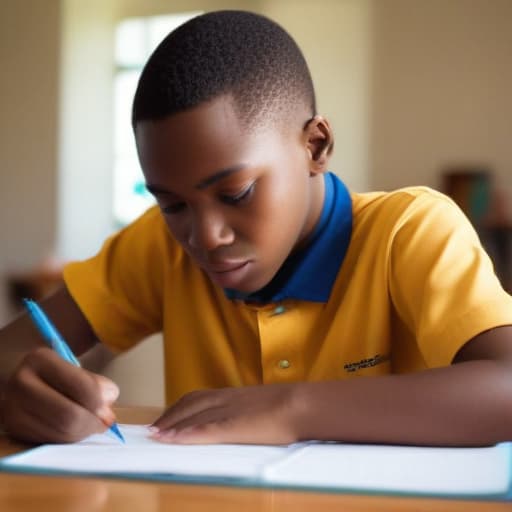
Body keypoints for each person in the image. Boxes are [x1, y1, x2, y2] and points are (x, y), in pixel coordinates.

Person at [1, 10, 512, 446]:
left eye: (236, 194)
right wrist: (16, 387)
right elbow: (11, 351)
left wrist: (290, 408)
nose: (205, 236)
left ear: (315, 146)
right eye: (173, 203)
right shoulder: (160, 248)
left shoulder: (409, 231)